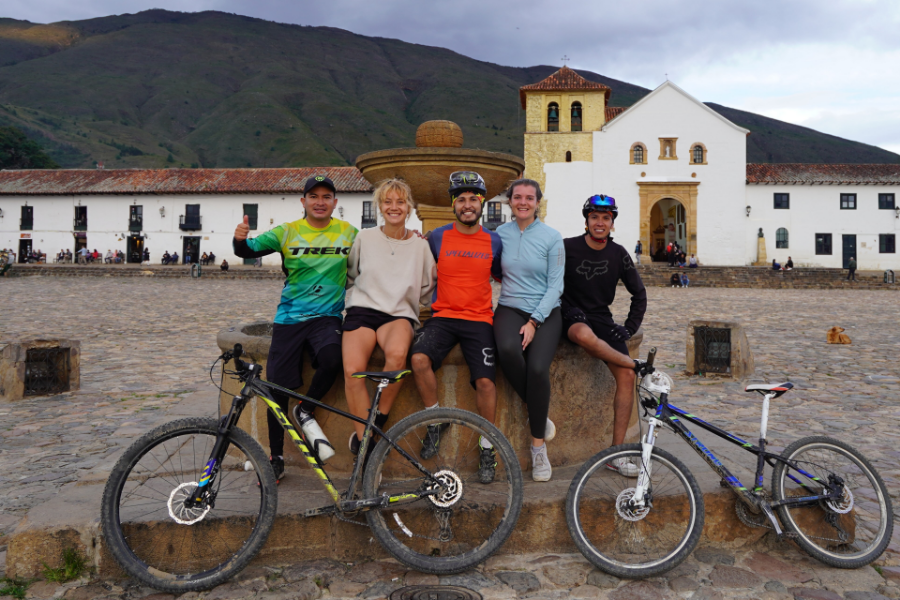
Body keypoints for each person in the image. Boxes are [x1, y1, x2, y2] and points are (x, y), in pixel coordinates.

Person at [233, 175, 357, 482]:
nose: (319, 202)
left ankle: (305, 409)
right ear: (303, 201)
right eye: (313, 196)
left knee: (332, 359)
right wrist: (239, 239)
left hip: (327, 317)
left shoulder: (350, 233)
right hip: (289, 319)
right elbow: (246, 251)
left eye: (326, 196)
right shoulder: (286, 231)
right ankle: (275, 458)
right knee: (277, 389)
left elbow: (380, 254)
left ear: (335, 203)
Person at [409, 171, 502, 482]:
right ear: (453, 205)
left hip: (479, 319)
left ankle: (487, 446)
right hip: (444, 317)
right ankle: (435, 420)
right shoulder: (437, 237)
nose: (467, 205)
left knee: (486, 383)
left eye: (473, 199)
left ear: (482, 203)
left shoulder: (494, 240)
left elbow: (504, 274)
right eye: (461, 199)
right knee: (418, 359)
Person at [343, 178, 435, 469]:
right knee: (352, 371)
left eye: (400, 202)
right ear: (380, 207)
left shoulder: (421, 246)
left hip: (398, 314)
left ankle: (376, 423)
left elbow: (427, 288)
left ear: (409, 207)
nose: (394, 207)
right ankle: (367, 448)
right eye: (388, 202)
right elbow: (350, 274)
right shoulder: (365, 238)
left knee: (396, 356)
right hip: (362, 310)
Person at [561, 194, 648, 477]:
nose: (600, 223)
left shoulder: (619, 253)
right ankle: (635, 364)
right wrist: (564, 308)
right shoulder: (567, 247)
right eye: (595, 217)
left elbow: (639, 294)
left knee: (627, 377)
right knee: (585, 336)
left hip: (601, 318)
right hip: (570, 315)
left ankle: (616, 454)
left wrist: (630, 327)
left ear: (612, 223)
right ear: (586, 221)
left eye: (606, 218)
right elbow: (549, 283)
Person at [494, 178, 564, 482]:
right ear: (510, 201)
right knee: (508, 350)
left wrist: (534, 321)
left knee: (537, 369)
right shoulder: (499, 234)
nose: (523, 202)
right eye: (517, 197)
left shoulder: (552, 237)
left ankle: (538, 449)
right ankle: (539, 414)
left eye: (529, 198)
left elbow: (556, 285)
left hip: (546, 312)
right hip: (509, 307)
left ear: (537, 202)